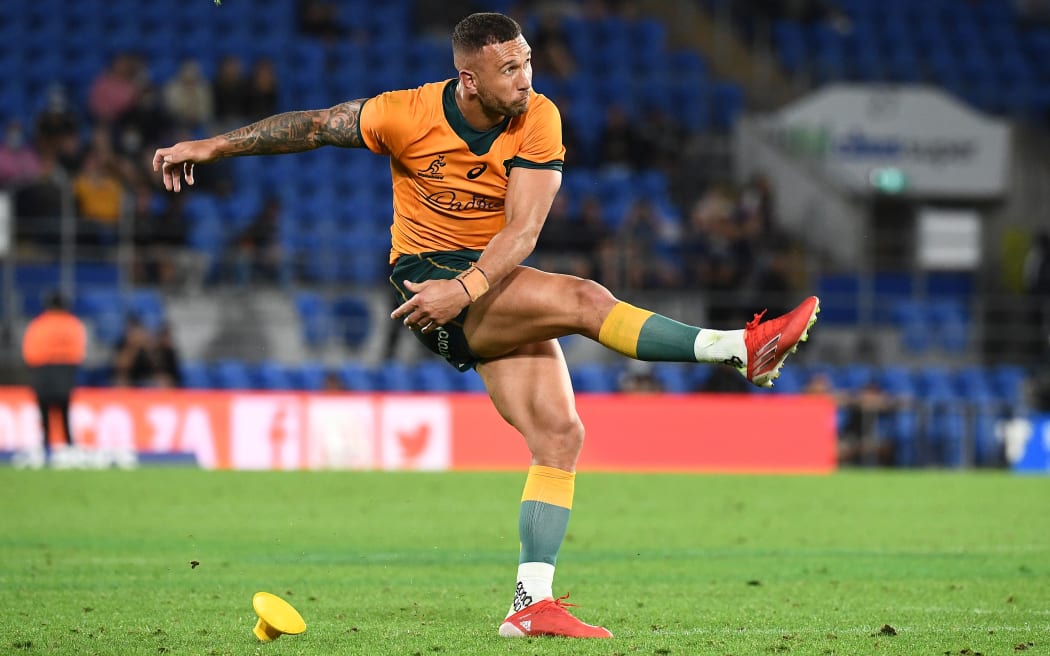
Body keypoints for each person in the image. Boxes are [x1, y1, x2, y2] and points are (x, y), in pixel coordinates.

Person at [153, 12, 820, 639]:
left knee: (559, 436)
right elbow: (315, 125)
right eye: (509, 68)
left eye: (527, 62)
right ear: (469, 78)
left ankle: (530, 604)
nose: (526, 78)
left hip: (481, 280)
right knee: (585, 299)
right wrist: (210, 146)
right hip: (424, 279)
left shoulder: (539, 117)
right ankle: (739, 348)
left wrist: (468, 287)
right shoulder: (404, 112)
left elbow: (524, 229)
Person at [21, 292, 87, 460]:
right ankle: (69, 446)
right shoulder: (73, 324)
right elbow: (78, 352)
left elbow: (30, 353)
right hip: (65, 370)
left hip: (43, 371)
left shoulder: (38, 324)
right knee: (64, 409)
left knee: (44, 410)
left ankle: (45, 447)